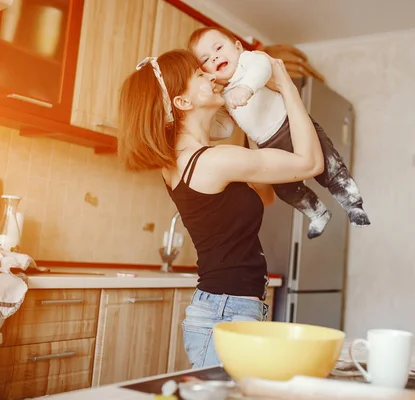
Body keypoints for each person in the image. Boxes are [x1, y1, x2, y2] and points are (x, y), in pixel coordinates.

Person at [118, 49, 325, 368]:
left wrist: (252, 115)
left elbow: (264, 196)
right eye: (200, 76)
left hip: (225, 308)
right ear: (182, 103)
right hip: (226, 312)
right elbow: (311, 162)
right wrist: (286, 87)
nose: (212, 76)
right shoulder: (213, 161)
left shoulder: (184, 162)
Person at [188, 27, 371, 239]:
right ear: (208, 74)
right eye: (206, 59)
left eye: (218, 47)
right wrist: (201, 128)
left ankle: (353, 205)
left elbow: (263, 68)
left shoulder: (249, 62)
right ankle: (317, 213)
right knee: (286, 190)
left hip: (292, 126)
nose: (215, 56)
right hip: (269, 146)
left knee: (330, 166)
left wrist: (247, 88)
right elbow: (226, 127)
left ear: (237, 47)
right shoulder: (224, 95)